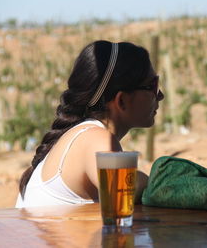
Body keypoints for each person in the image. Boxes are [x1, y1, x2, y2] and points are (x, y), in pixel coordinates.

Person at [16, 40, 164, 208]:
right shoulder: (96, 139)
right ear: (121, 100)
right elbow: (124, 189)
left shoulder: (83, 134)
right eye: (152, 86)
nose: (160, 95)